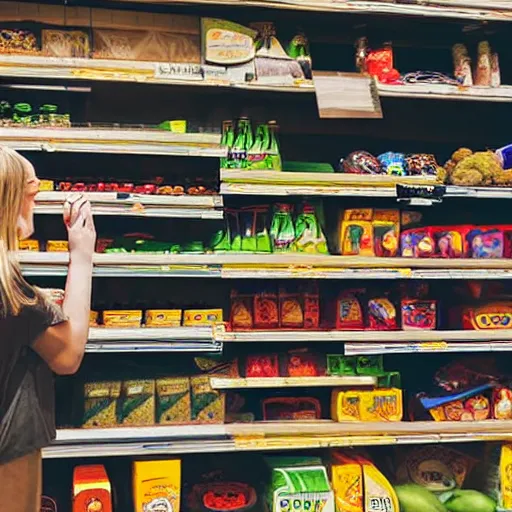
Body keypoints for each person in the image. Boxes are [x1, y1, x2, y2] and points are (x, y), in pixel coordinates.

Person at [0, 146, 96, 511]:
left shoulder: (19, 298)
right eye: (31, 195)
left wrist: (37, 298)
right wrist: (82, 254)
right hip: (8, 449)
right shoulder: (11, 291)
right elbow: (68, 355)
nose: (34, 205)